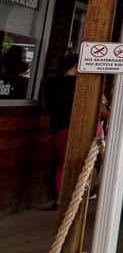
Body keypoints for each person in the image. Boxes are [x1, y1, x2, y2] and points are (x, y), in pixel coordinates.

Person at [41, 50, 79, 206]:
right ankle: (74, 197)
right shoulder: (80, 84)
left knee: (62, 165)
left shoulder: (50, 83)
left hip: (58, 127)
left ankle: (58, 199)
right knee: (80, 165)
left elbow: (44, 106)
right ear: (76, 64)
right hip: (77, 127)